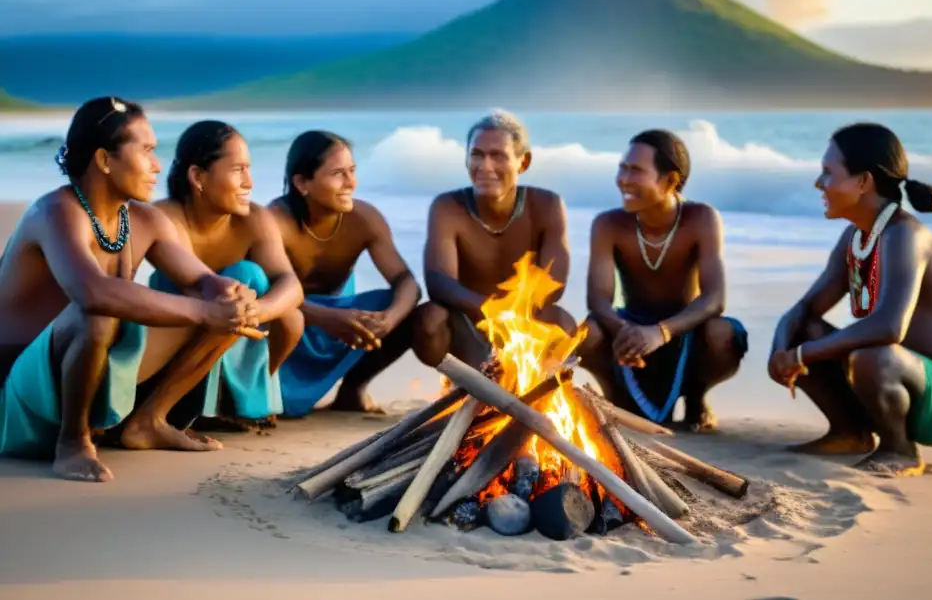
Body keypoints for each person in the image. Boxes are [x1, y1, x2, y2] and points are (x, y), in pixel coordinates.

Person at [0, 97, 261, 482]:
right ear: (105, 160)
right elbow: (92, 292)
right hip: (16, 398)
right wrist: (208, 312)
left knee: (224, 299)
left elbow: (202, 280)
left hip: (84, 376)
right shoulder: (55, 212)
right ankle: (73, 442)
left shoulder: (143, 219)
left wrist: (231, 293)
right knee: (101, 311)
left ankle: (149, 420)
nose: (158, 166)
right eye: (147, 151)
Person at [769, 123, 932, 477]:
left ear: (863, 182)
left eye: (828, 172)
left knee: (872, 354)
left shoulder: (905, 235)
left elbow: (889, 327)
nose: (818, 183)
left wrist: (801, 355)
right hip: (897, 371)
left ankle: (900, 450)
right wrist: (782, 350)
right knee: (801, 329)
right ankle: (849, 433)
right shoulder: (855, 237)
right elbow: (804, 310)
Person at [579, 129, 747, 432]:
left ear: (670, 180)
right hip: (629, 326)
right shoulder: (608, 224)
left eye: (636, 171)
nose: (624, 179)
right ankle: (612, 397)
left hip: (685, 326)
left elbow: (714, 298)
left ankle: (696, 399)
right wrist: (628, 332)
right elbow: (598, 300)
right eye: (622, 168)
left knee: (723, 333)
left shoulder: (701, 218)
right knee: (586, 333)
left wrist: (661, 333)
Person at [145, 120, 305, 429]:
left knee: (290, 316)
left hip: (237, 328)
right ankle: (180, 403)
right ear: (198, 176)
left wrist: (260, 309)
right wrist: (232, 303)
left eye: (249, 169)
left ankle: (240, 401)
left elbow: (291, 284)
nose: (250, 182)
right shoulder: (164, 218)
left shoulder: (255, 219)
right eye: (238, 170)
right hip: (176, 339)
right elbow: (195, 292)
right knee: (243, 276)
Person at [269, 130, 421, 416]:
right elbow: (265, 296)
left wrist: (388, 321)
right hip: (288, 332)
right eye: (338, 173)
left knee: (406, 311)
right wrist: (329, 318)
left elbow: (407, 282)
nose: (351, 182)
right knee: (285, 407)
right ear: (302, 183)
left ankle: (352, 390)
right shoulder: (275, 222)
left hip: (340, 327)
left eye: (352, 171)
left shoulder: (364, 219)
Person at [412, 110, 577, 370]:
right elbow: (439, 284)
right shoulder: (447, 207)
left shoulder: (547, 205)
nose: (485, 166)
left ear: (523, 163)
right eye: (477, 155)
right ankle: (461, 384)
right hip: (467, 325)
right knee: (429, 319)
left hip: (524, 322)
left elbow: (554, 284)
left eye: (498, 156)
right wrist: (491, 311)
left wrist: (513, 318)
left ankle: (534, 390)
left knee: (563, 324)